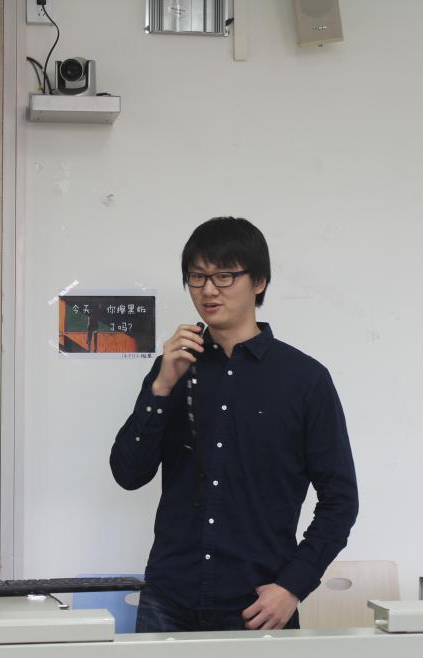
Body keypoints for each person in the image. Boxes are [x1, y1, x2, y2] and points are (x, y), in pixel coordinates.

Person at [110, 216, 359, 632]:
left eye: (224, 276)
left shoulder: (304, 379)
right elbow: (128, 473)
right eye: (197, 277)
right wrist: (161, 387)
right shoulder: (172, 368)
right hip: (169, 598)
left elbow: (341, 500)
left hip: (259, 605)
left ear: (258, 281)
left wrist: (292, 586)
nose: (208, 290)